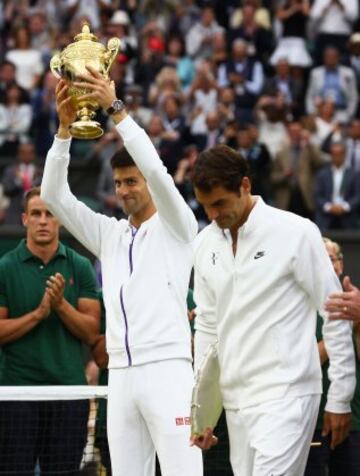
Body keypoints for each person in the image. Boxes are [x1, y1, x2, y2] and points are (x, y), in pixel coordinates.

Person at [40, 69, 202, 476]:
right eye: (118, 182)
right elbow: (53, 196)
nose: (125, 189)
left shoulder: (178, 226)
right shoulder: (109, 235)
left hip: (169, 369)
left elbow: (159, 172)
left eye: (132, 181)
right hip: (121, 375)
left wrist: (116, 111)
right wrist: (63, 132)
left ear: (147, 182)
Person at [190, 144, 355, 476]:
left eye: (220, 203)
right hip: (236, 402)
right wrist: (203, 413)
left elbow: (335, 313)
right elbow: (208, 327)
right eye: (206, 207)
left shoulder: (297, 232)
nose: (213, 216)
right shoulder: (204, 243)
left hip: (289, 394)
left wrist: (340, 395)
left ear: (246, 186)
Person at [0, 187, 100, 475]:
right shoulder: (5, 267)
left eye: (50, 214)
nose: (43, 220)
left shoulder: (80, 266)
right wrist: (38, 314)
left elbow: (91, 331)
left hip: (68, 393)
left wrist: (60, 306)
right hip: (17, 394)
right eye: (36, 214)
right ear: (24, 219)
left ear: (61, 220)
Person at [305, 238, 360, 476]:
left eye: (332, 259)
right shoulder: (301, 307)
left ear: (340, 264)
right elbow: (306, 363)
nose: (329, 265)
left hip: (354, 420)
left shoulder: (356, 302)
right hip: (311, 422)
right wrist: (341, 330)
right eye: (322, 260)